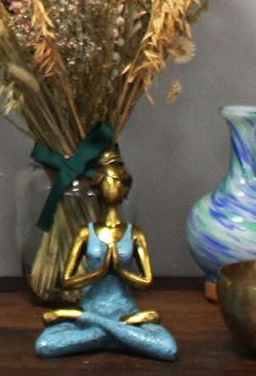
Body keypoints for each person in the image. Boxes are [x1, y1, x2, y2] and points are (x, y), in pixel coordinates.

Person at [35, 147, 177, 361]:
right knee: (46, 344)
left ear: (125, 188)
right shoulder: (86, 232)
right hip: (93, 309)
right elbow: (67, 280)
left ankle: (100, 330)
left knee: (166, 347)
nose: (114, 187)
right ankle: (116, 332)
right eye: (109, 181)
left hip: (125, 311)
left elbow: (146, 280)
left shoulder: (134, 233)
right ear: (98, 186)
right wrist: (101, 271)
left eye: (119, 182)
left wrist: (119, 270)